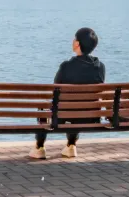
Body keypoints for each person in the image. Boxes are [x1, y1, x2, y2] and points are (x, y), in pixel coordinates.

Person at [29, 26, 105, 160]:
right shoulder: (100, 67)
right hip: (90, 116)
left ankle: (39, 148)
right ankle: (71, 146)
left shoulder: (66, 66)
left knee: (43, 106)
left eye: (74, 38)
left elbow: (55, 91)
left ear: (77, 44)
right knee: (76, 106)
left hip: (63, 116)